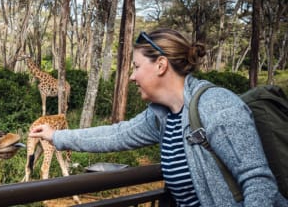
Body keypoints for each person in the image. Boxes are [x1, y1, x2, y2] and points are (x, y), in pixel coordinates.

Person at [29, 28, 288, 206]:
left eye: (137, 67)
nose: (132, 76)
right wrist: (56, 136)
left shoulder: (217, 106)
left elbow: (259, 182)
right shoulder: (162, 116)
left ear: (161, 65)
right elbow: (115, 134)